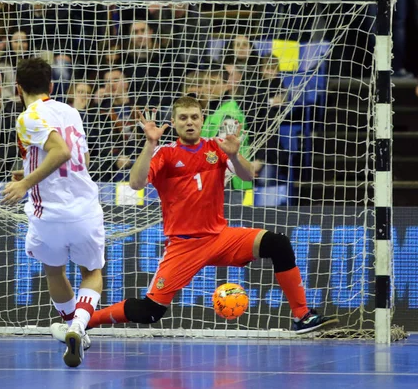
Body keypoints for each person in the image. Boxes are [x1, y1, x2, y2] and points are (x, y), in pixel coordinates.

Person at [51, 95, 339, 341]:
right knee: (150, 311)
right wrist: (149, 144)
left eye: (195, 117)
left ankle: (302, 315)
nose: (190, 122)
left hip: (220, 236)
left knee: (278, 244)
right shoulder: (165, 154)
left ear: (203, 120)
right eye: (183, 118)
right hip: (184, 245)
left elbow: (248, 176)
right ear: (174, 123)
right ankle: (83, 322)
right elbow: (137, 183)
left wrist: (236, 156)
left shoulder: (218, 148)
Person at [2, 57, 105, 368]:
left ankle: (72, 325)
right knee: (92, 273)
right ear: (51, 85)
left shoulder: (27, 116)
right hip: (84, 206)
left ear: (17, 88)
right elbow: (80, 159)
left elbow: (61, 151)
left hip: (47, 211)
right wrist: (29, 171)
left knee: (54, 271)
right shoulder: (71, 111)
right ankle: (77, 328)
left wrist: (26, 182)